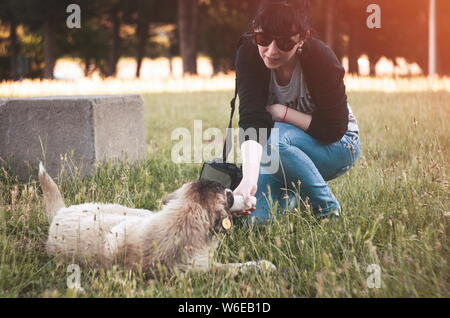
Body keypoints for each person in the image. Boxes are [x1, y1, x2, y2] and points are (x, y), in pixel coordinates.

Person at [232, 0, 361, 223]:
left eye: (283, 43)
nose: (271, 51)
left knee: (275, 141)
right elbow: (252, 120)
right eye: (263, 39)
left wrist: (282, 113)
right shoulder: (249, 54)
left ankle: (328, 211)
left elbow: (333, 129)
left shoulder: (321, 59)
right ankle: (291, 191)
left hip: (338, 145)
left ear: (301, 39)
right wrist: (249, 179)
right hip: (278, 148)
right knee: (255, 222)